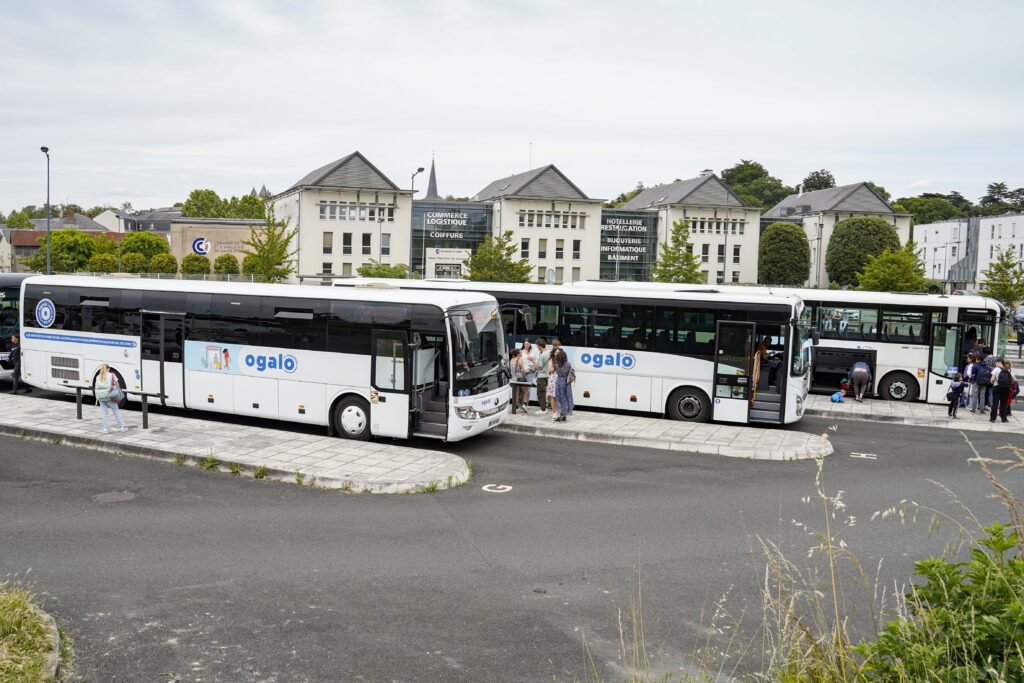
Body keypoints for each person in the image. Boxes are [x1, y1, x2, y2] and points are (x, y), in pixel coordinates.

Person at [94, 363, 128, 433]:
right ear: (108, 369)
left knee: (104, 413)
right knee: (116, 411)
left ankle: (106, 428)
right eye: (109, 368)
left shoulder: (98, 376)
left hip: (101, 397)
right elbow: (117, 384)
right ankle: (122, 426)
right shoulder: (112, 375)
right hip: (110, 396)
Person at [989, 358, 1014, 423]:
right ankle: (1004, 419)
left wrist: (992, 382)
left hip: (997, 388)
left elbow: (992, 379)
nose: (995, 364)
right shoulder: (1008, 370)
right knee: (1004, 403)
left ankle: (993, 418)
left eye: (996, 362)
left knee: (995, 403)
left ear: (999, 362)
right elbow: (1014, 379)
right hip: (1006, 389)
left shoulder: (996, 369)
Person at [552, 349, 574, 422]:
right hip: (566, 383)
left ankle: (558, 417)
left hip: (559, 382)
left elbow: (553, 371)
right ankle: (564, 416)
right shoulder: (568, 364)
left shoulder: (556, 365)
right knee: (566, 398)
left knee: (559, 399)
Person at [533, 338, 551, 414]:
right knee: (543, 392)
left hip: (542, 376)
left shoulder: (543, 355)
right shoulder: (548, 353)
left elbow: (540, 366)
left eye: (537, 346)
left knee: (540, 393)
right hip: (546, 375)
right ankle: (544, 408)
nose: (537, 348)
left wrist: (532, 360)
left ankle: (543, 409)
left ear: (540, 346)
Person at [508, 348, 526, 413]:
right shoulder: (519, 360)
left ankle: (515, 405)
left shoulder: (511, 360)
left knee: (516, 391)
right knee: (525, 390)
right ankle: (524, 403)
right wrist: (524, 375)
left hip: (513, 378)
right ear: (518, 354)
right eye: (521, 353)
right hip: (520, 378)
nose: (522, 353)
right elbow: (523, 370)